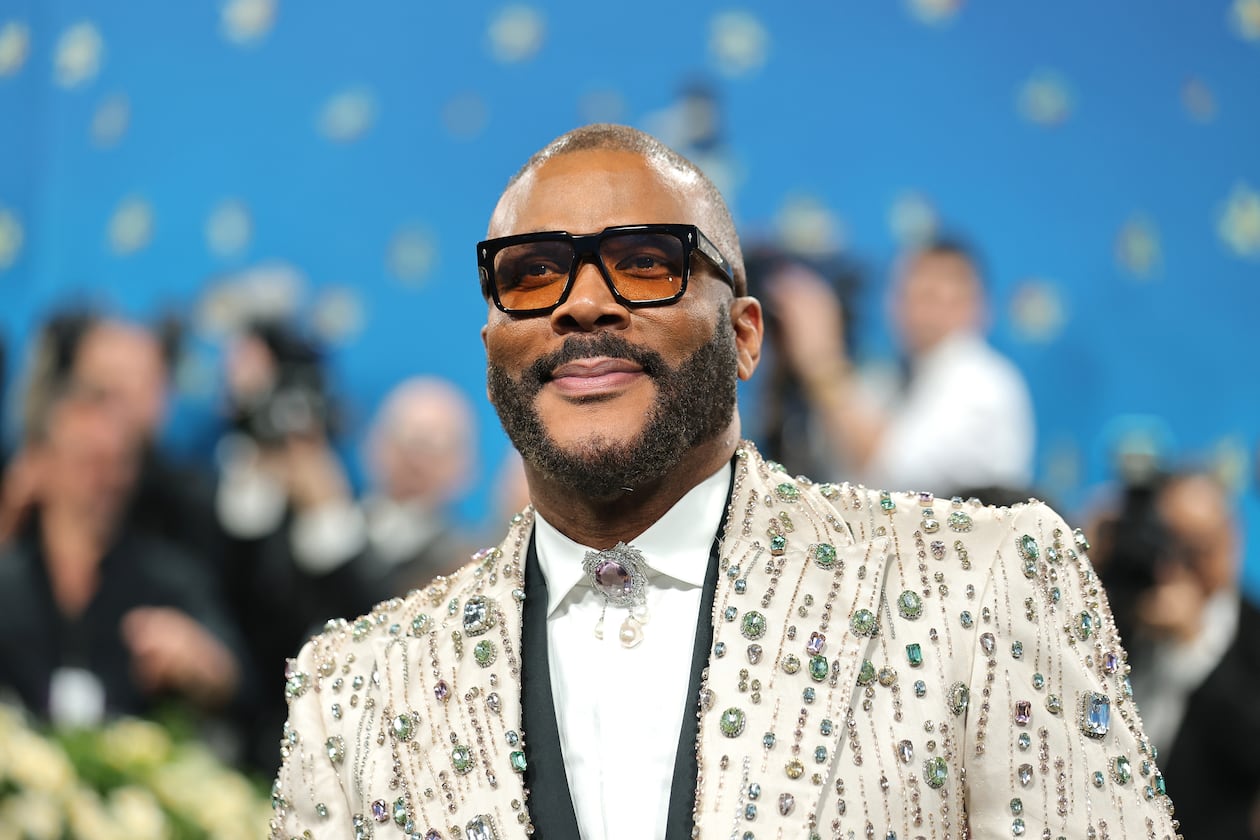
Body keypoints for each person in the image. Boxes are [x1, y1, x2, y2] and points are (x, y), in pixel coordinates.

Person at [269, 125, 1178, 839]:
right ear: (492, 352)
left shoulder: (985, 586)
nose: (583, 302)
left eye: (646, 262)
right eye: (533, 274)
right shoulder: (351, 689)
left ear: (745, 335)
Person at [766, 238, 1034, 498]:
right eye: (911, 293)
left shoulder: (983, 381)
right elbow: (836, 471)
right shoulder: (888, 378)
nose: (922, 312)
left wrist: (820, 356)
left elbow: (893, 473)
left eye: (937, 297)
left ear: (980, 307)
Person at [1095, 470, 1260, 838]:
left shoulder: (1253, 634)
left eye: (1198, 549)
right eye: (1171, 545)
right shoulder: (1118, 615)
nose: (1181, 565)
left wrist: (1193, 646)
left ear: (1231, 539)